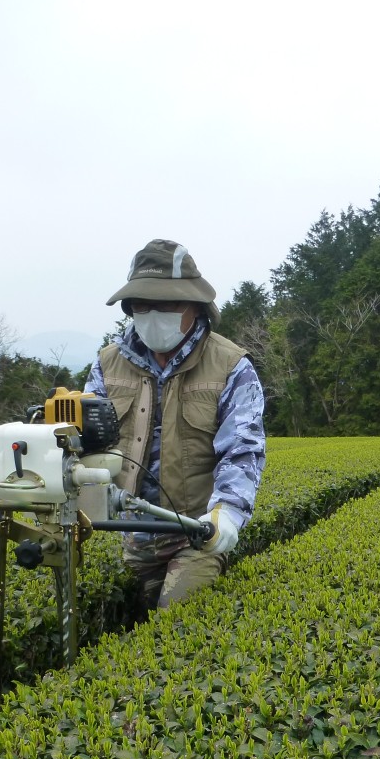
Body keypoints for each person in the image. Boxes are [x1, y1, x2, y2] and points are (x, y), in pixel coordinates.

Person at [84, 238, 266, 613]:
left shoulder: (231, 367)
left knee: (175, 618)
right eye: (143, 305)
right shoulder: (107, 364)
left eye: (167, 304)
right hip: (132, 533)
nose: (153, 314)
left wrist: (226, 514)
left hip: (194, 534)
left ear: (194, 306)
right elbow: (85, 441)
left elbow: (243, 450)